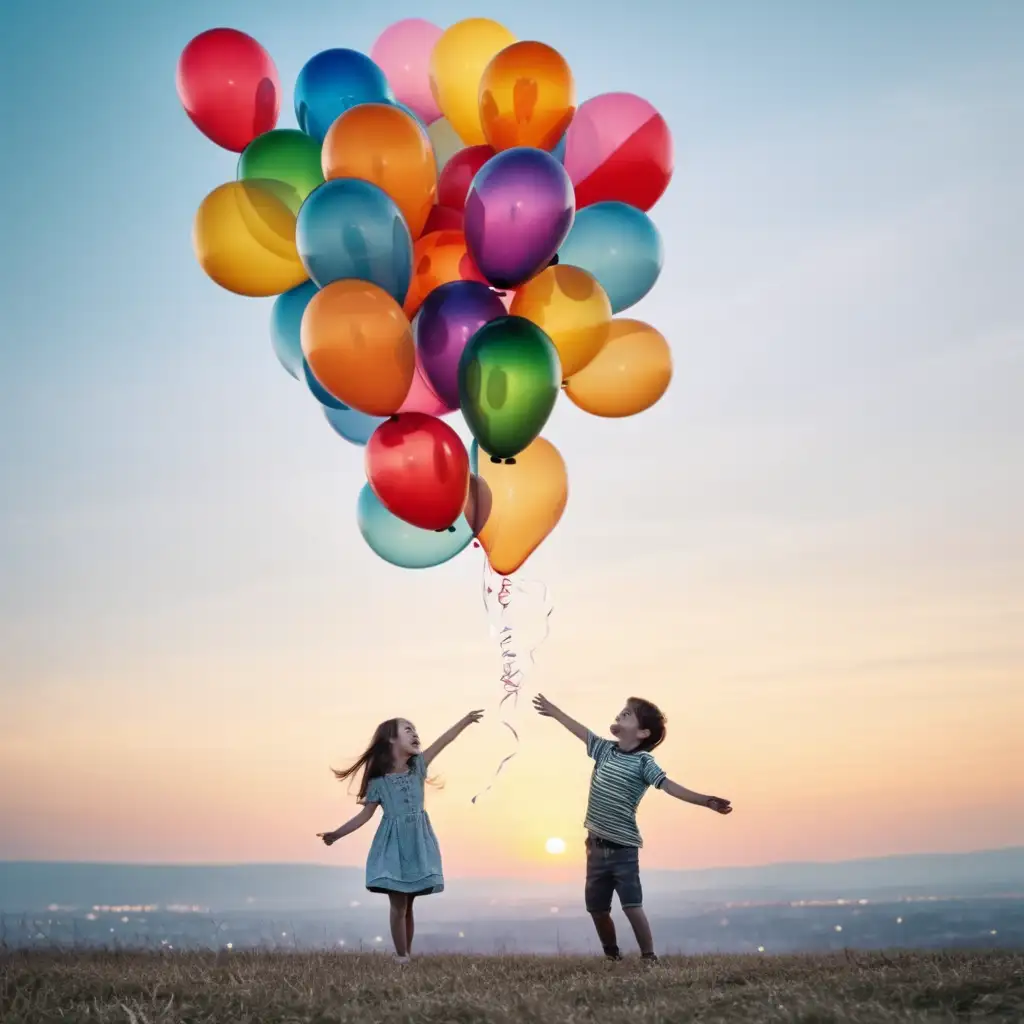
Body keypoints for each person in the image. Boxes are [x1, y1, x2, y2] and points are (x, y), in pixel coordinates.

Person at [532, 693, 732, 962]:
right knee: (597, 908)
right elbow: (579, 730)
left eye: (628, 714)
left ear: (643, 732)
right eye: (621, 712)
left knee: (631, 905)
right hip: (594, 848)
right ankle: (612, 956)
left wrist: (706, 801)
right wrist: (554, 710)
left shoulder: (643, 762)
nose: (620, 714)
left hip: (624, 850)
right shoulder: (604, 750)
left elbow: (669, 786)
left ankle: (649, 957)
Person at [317, 711, 483, 963]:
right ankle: (401, 957)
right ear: (391, 740)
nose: (415, 734)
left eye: (415, 730)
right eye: (407, 730)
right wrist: (337, 834)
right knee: (398, 905)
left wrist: (465, 721)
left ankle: (406, 954)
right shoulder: (379, 782)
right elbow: (365, 815)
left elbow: (444, 741)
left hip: (418, 842)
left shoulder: (418, 768)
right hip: (393, 846)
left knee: (409, 905)